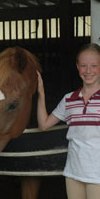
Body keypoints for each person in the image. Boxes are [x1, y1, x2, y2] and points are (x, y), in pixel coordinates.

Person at [37, 43, 100, 199]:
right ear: (78, 67)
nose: (88, 71)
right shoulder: (69, 100)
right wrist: (41, 93)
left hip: (97, 177)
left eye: (94, 66)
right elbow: (44, 124)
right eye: (84, 65)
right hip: (73, 174)